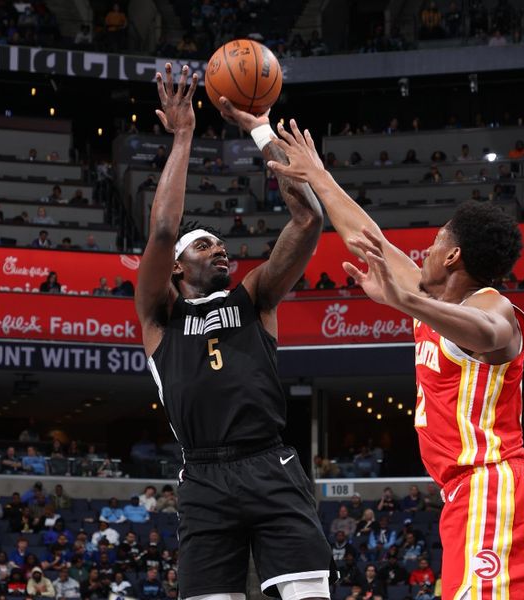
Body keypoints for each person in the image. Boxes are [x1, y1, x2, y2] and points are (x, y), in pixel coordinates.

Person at [268, 118, 524, 599]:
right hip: (467, 498)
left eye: (439, 239)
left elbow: (492, 332)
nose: (426, 248)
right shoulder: (431, 298)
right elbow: (368, 236)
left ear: (453, 256)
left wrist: (405, 303)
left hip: (493, 487)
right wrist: (317, 174)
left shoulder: (488, 305)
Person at [134, 64, 333, 600]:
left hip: (270, 462)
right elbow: (161, 229)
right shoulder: (160, 317)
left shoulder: (254, 297)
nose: (219, 249)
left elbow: (308, 218)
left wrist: (260, 129)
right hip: (202, 477)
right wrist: (183, 137)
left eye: (221, 245)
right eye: (204, 246)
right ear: (177, 268)